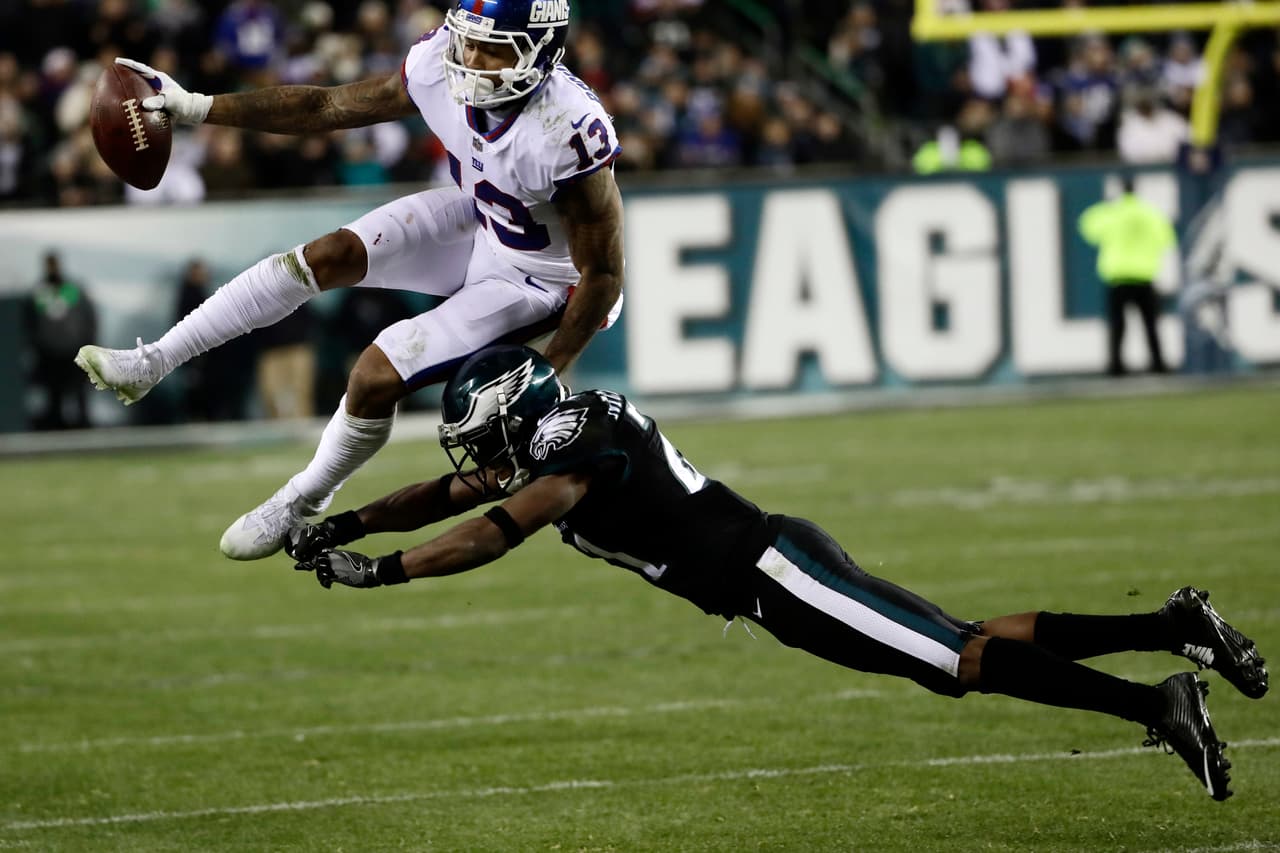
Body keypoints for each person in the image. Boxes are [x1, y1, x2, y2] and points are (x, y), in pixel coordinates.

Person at [287, 344, 1269, 802]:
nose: (473, 458)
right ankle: (1170, 628)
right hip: (770, 582)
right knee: (956, 645)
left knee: (957, 659)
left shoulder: (573, 450)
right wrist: (340, 521)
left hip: (776, 569)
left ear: (516, 416)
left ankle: (1157, 700)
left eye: (481, 438)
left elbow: (495, 526)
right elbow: (445, 495)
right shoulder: (558, 430)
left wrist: (381, 572)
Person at [74, 0, 625, 560]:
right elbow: (328, 105)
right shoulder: (441, 62)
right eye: (468, 41)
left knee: (371, 377)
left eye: (493, 49)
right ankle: (153, 362)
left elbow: (603, 274)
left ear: (542, 52)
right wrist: (198, 106)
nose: (471, 60)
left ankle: (301, 498)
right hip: (486, 220)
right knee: (326, 254)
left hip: (540, 279)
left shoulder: (565, 131)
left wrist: (550, 371)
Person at [1078, 175, 1174, 376]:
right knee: (1150, 325)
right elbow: (1167, 239)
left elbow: (1087, 227)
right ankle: (1158, 364)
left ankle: (1116, 367)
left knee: (1118, 326)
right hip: (1144, 275)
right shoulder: (1150, 212)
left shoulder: (1111, 212)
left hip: (1118, 276)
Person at [22, 251, 97, 430]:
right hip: (49, 355)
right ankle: (56, 429)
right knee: (54, 398)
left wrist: (87, 343)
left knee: (79, 396)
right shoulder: (39, 292)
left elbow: (88, 319)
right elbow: (30, 323)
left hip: (74, 352)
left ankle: (83, 429)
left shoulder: (72, 290)